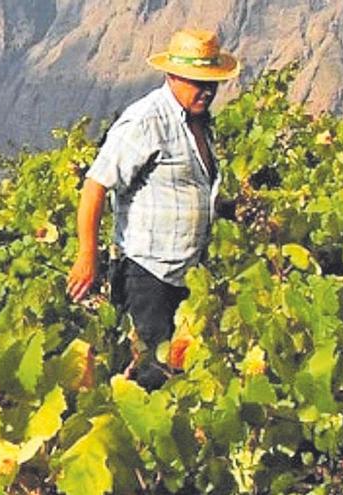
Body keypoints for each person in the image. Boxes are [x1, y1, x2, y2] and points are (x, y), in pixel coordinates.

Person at [66, 29, 240, 389]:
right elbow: (95, 184)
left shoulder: (200, 125)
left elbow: (189, 189)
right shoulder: (146, 120)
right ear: (172, 76)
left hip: (187, 274)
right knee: (149, 379)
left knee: (181, 374)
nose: (206, 91)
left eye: (212, 83)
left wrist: (230, 211)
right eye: (197, 82)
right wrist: (87, 256)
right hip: (148, 276)